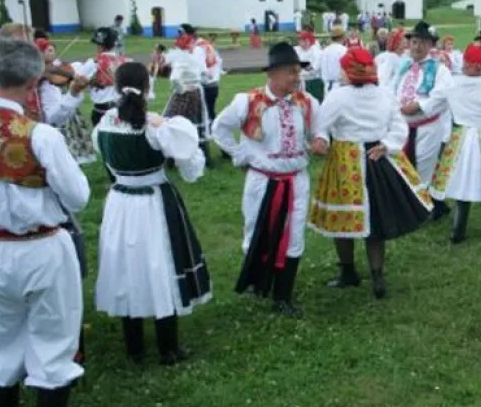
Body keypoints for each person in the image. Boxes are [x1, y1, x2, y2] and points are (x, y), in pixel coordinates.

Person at [93, 62, 211, 365]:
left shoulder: (104, 122)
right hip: (154, 202)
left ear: (117, 88)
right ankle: (168, 348)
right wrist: (164, 126)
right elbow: (191, 165)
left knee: (125, 267)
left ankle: (134, 347)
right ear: (148, 87)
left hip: (120, 203)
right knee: (160, 265)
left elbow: (106, 159)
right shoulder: (156, 125)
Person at [0, 39, 90, 407]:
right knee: (52, 348)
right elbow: (78, 197)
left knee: (1, 347)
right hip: (41, 248)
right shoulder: (40, 135)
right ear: (34, 81)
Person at [309, 48, 432, 298]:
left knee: (343, 219)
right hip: (378, 157)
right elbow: (398, 127)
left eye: (343, 68)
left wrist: (321, 139)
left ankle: (348, 272)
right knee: (375, 219)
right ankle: (377, 275)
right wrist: (387, 145)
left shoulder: (338, 96)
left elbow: (321, 125)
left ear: (348, 71)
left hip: (347, 161)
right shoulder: (384, 94)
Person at [213, 43, 320, 318]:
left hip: (296, 179)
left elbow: (320, 131)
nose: (297, 78)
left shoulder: (306, 102)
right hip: (262, 179)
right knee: (256, 228)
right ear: (273, 74)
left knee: (294, 232)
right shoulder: (247, 101)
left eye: (298, 72)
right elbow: (220, 128)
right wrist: (240, 154)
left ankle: (283, 296)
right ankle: (257, 279)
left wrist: (321, 140)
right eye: (291, 72)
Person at [430, 44, 481, 244]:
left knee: (461, 184)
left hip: (461, 139)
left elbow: (432, 102)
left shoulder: (452, 85)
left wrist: (412, 107)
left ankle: (457, 231)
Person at [392, 21, 455, 220]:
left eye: (422, 43)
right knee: (402, 164)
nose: (417, 47)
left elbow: (444, 94)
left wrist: (419, 105)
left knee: (423, 166)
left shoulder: (438, 69)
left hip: (426, 127)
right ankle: (409, 205)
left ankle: (424, 209)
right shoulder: (404, 67)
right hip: (402, 125)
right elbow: (391, 89)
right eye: (414, 42)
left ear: (430, 46)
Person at [34, 38, 96, 164]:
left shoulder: (61, 66)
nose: (51, 53)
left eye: (52, 50)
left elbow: (60, 70)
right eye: (47, 50)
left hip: (65, 111)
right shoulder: (40, 71)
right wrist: (72, 76)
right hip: (53, 112)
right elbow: (52, 71)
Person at [164, 44, 212, 168]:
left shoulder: (188, 60)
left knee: (180, 124)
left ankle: (192, 158)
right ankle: (178, 159)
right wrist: (184, 88)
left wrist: (183, 89)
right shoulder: (184, 60)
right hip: (190, 94)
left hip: (190, 94)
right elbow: (175, 79)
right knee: (182, 124)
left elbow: (176, 79)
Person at [80, 27, 127, 126]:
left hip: (101, 111)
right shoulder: (123, 61)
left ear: (100, 46)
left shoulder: (93, 63)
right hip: (120, 109)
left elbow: (78, 78)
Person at [296, 31, 324, 102]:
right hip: (301, 82)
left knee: (316, 103)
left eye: (302, 41)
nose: (300, 43)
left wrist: (302, 66)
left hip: (314, 83)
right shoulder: (298, 50)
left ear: (307, 41)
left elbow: (313, 69)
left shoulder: (316, 52)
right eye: (299, 40)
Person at [320, 26, 347, 94]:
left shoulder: (325, 50)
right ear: (342, 37)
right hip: (340, 86)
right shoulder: (344, 50)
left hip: (327, 86)